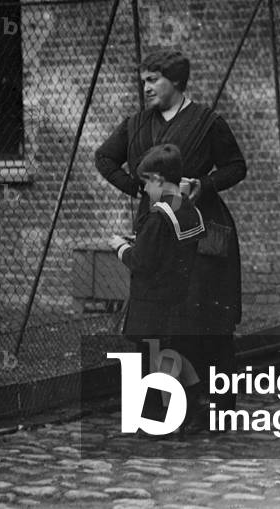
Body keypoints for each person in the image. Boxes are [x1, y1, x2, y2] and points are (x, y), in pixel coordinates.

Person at [96, 48, 247, 409]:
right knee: (157, 320)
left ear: (176, 81)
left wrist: (204, 184)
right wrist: (136, 187)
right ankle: (169, 406)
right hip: (155, 230)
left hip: (199, 231)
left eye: (153, 80)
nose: (145, 88)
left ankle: (217, 406)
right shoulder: (136, 124)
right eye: (143, 80)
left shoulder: (207, 122)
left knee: (204, 318)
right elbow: (104, 158)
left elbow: (236, 167)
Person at [107, 143, 206, 430]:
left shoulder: (157, 215)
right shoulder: (186, 209)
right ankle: (195, 398)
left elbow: (142, 261)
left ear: (159, 180)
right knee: (169, 355)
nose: (145, 190)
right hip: (178, 298)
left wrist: (122, 247)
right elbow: (169, 248)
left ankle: (153, 420)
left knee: (150, 359)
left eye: (146, 182)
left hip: (151, 302)